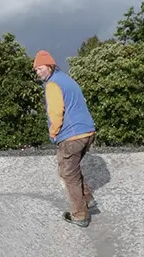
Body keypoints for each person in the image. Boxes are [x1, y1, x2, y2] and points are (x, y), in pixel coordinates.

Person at [33, 50, 97, 227]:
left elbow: (55, 112)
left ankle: (80, 215)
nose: (37, 73)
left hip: (72, 136)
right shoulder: (68, 80)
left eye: (39, 68)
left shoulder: (53, 84)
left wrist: (53, 133)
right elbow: (82, 100)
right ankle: (87, 200)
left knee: (69, 175)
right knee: (68, 170)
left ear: (49, 66)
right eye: (36, 70)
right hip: (87, 132)